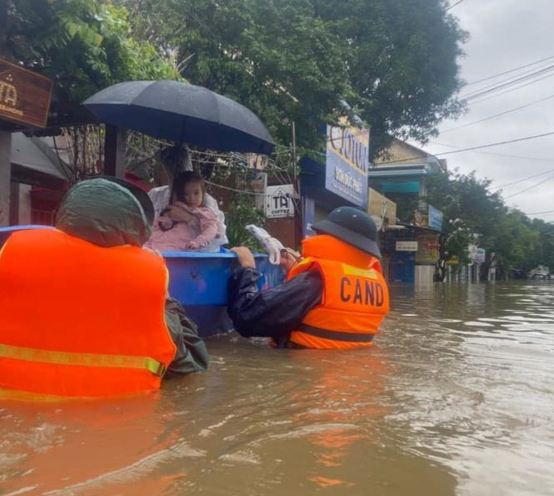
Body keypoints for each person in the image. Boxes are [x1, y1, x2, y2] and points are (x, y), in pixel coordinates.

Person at [0, 177, 209, 399]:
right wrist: (164, 298)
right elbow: (193, 366)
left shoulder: (8, 294)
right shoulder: (151, 307)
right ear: (137, 233)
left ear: (63, 223)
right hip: (118, 439)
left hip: (11, 437)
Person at [227, 206, 390, 349]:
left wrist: (247, 268)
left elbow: (247, 318)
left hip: (306, 371)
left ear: (330, 237)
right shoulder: (375, 280)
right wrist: (297, 271)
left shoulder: (316, 279)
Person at [149, 145, 228, 251]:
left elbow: (215, 237)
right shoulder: (156, 194)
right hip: (155, 249)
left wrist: (190, 219)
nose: (191, 197)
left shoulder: (205, 200)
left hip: (186, 255)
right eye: (169, 166)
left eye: (195, 193)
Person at [148, 171, 221, 251]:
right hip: (155, 244)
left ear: (203, 193)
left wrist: (198, 241)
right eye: (186, 194)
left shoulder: (204, 213)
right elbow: (157, 225)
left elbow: (211, 230)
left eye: (196, 193)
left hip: (176, 251)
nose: (192, 198)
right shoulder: (175, 207)